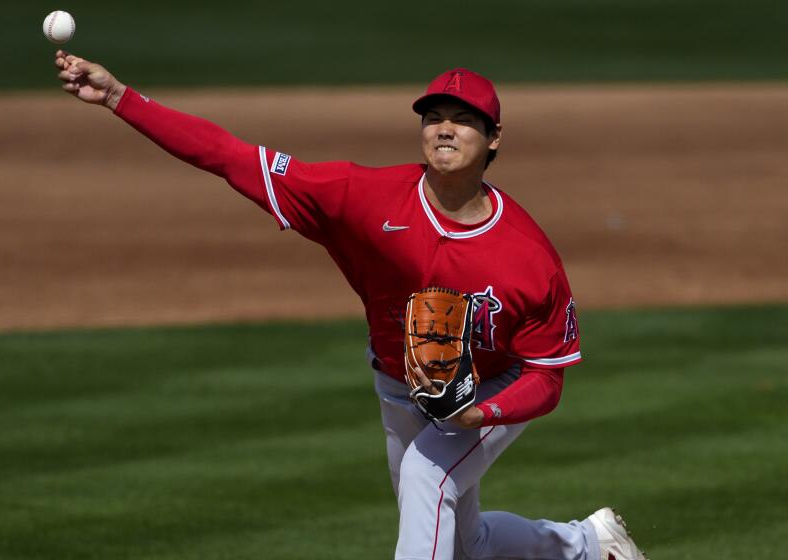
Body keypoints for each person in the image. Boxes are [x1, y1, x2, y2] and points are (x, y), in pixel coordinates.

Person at [54, 51, 647, 560]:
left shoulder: (527, 257)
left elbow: (548, 379)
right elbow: (231, 157)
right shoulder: (362, 198)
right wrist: (120, 97)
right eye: (433, 117)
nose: (444, 128)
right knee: (465, 543)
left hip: (494, 387)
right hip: (397, 382)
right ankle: (589, 546)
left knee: (427, 474)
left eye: (464, 121)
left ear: (493, 139)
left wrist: (477, 416)